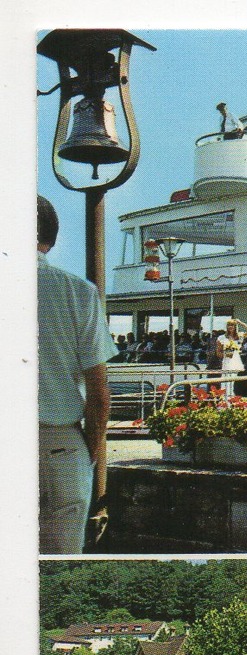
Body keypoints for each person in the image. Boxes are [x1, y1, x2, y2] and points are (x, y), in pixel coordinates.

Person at [38, 195, 115, 554]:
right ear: (49, 239)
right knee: (60, 556)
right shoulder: (78, 292)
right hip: (59, 443)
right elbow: (99, 394)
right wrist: (92, 450)